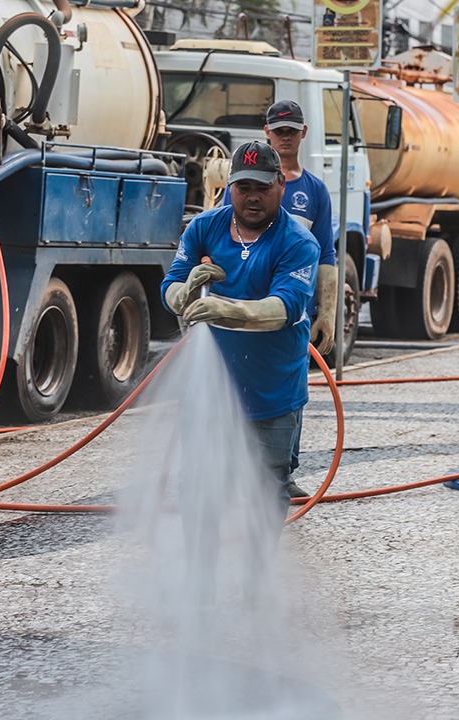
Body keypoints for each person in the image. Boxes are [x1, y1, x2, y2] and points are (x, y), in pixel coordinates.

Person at [161, 141, 320, 519]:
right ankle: (199, 575)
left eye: (262, 188)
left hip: (272, 393)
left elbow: (283, 308)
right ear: (229, 186)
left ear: (281, 185)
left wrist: (225, 309)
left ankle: (258, 574)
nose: (252, 197)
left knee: (267, 493)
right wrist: (183, 294)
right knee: (199, 491)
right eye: (243, 187)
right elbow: (169, 286)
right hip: (209, 392)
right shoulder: (204, 227)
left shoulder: (297, 242)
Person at [223, 99, 336, 499]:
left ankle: (283, 472)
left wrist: (328, 314)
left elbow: (327, 253)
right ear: (267, 131)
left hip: (290, 315)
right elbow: (222, 236)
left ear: (302, 134)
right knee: (240, 389)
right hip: (244, 311)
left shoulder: (314, 191)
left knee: (291, 392)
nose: (285, 136)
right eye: (278, 130)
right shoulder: (240, 185)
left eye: (292, 130)